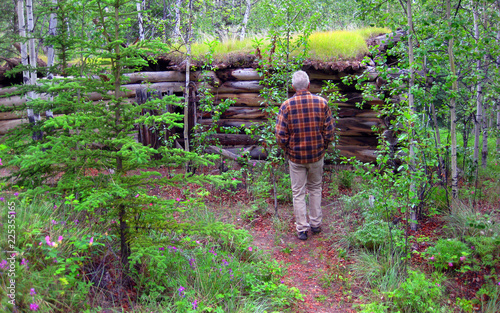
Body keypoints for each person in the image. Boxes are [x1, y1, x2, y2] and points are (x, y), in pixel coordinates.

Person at [275, 70, 335, 240]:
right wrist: (322, 146)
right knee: (315, 188)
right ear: (309, 85)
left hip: (296, 157)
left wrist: (288, 149)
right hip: (316, 155)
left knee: (298, 192)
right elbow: (329, 132)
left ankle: (302, 229)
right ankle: (316, 225)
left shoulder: (286, 105)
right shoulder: (322, 103)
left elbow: (280, 135)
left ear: (293, 87)